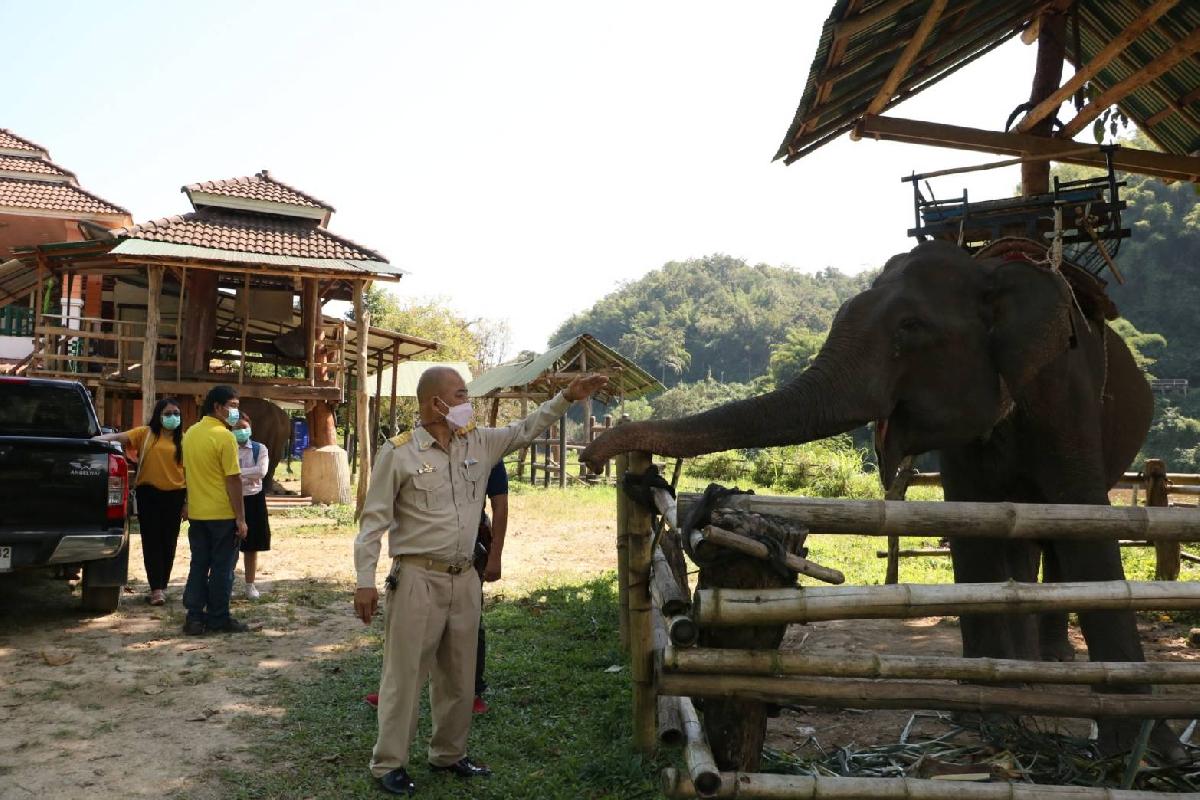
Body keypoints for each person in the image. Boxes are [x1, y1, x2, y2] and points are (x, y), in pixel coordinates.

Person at [353, 367, 606, 796]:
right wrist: (365, 580)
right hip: (416, 578)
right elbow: (372, 522)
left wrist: (566, 396)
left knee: (459, 674)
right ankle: (389, 763)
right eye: (461, 395)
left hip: (464, 577)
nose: (467, 403)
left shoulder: (479, 442)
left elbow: (526, 428)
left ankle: (448, 753)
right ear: (435, 403)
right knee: (405, 676)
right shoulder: (398, 453)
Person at [93, 397, 187, 606]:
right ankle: (156, 589)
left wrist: (186, 503)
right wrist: (95, 439)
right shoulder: (145, 434)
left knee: (169, 542)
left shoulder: (184, 440)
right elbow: (120, 437)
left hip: (175, 496)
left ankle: (162, 584)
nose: (173, 417)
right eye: (168, 413)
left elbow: (189, 472)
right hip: (149, 495)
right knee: (151, 541)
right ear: (158, 415)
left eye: (176, 413)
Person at [181, 385, 248, 636]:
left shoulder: (190, 434)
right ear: (218, 407)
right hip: (222, 514)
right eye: (232, 406)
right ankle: (218, 617)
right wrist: (240, 518)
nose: (235, 411)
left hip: (198, 514)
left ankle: (194, 618)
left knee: (198, 565)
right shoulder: (225, 437)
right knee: (222, 568)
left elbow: (187, 473)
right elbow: (233, 479)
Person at [472, 460, 508, 714]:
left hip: (471, 547)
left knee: (472, 618)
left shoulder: (488, 451)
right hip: (422, 548)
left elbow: (500, 504)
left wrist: (495, 557)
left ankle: (472, 690)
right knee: (408, 620)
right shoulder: (417, 447)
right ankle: (394, 689)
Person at [232, 413, 271, 599]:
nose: (241, 431)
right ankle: (227, 583)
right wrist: (246, 474)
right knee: (228, 545)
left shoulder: (259, 448)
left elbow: (261, 471)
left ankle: (250, 585)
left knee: (251, 546)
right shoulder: (227, 448)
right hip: (231, 499)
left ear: (250, 428)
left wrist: (236, 473)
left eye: (244, 427)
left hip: (254, 499)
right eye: (237, 428)